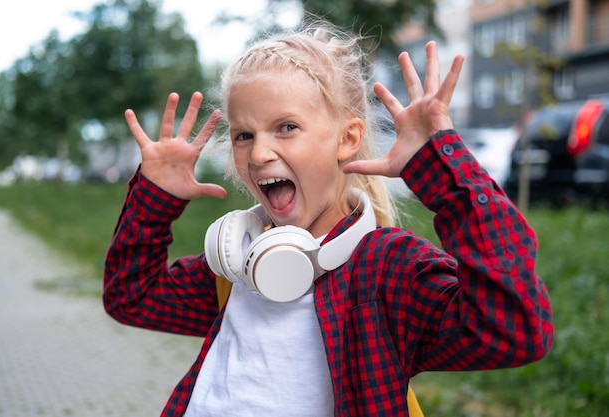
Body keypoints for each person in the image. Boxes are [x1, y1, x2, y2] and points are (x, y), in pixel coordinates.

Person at [103, 19, 554, 417]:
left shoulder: (386, 270)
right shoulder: (238, 264)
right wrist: (154, 198)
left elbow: (514, 329)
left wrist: (444, 174)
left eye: (286, 127)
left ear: (348, 138)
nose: (259, 153)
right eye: (244, 135)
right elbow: (131, 297)